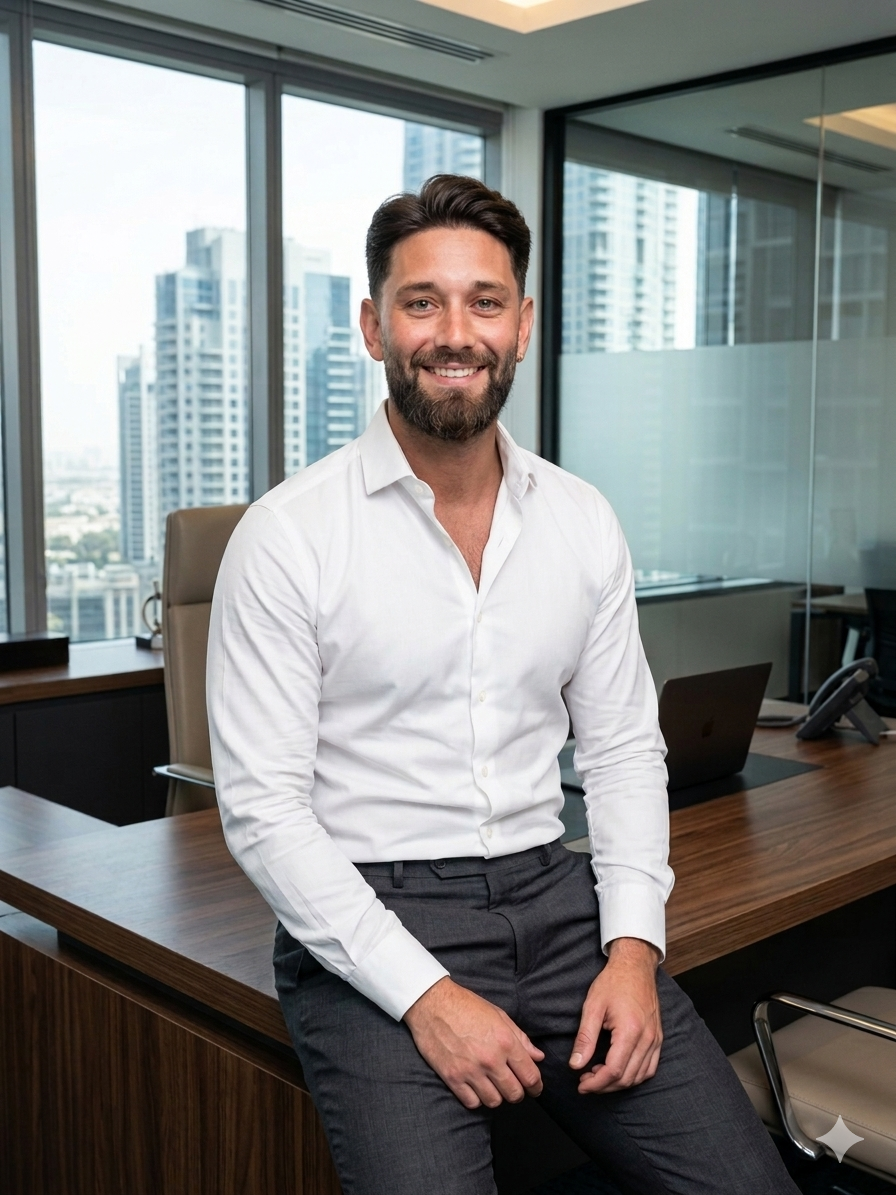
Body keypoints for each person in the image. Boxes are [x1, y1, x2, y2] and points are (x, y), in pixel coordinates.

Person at [207, 174, 799, 1195]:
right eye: (420, 301)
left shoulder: (578, 520)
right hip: (369, 918)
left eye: (483, 301)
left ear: (520, 325)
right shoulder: (288, 537)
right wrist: (425, 994)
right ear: (372, 324)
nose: (454, 332)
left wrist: (630, 948)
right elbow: (263, 809)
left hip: (557, 899)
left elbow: (617, 749)